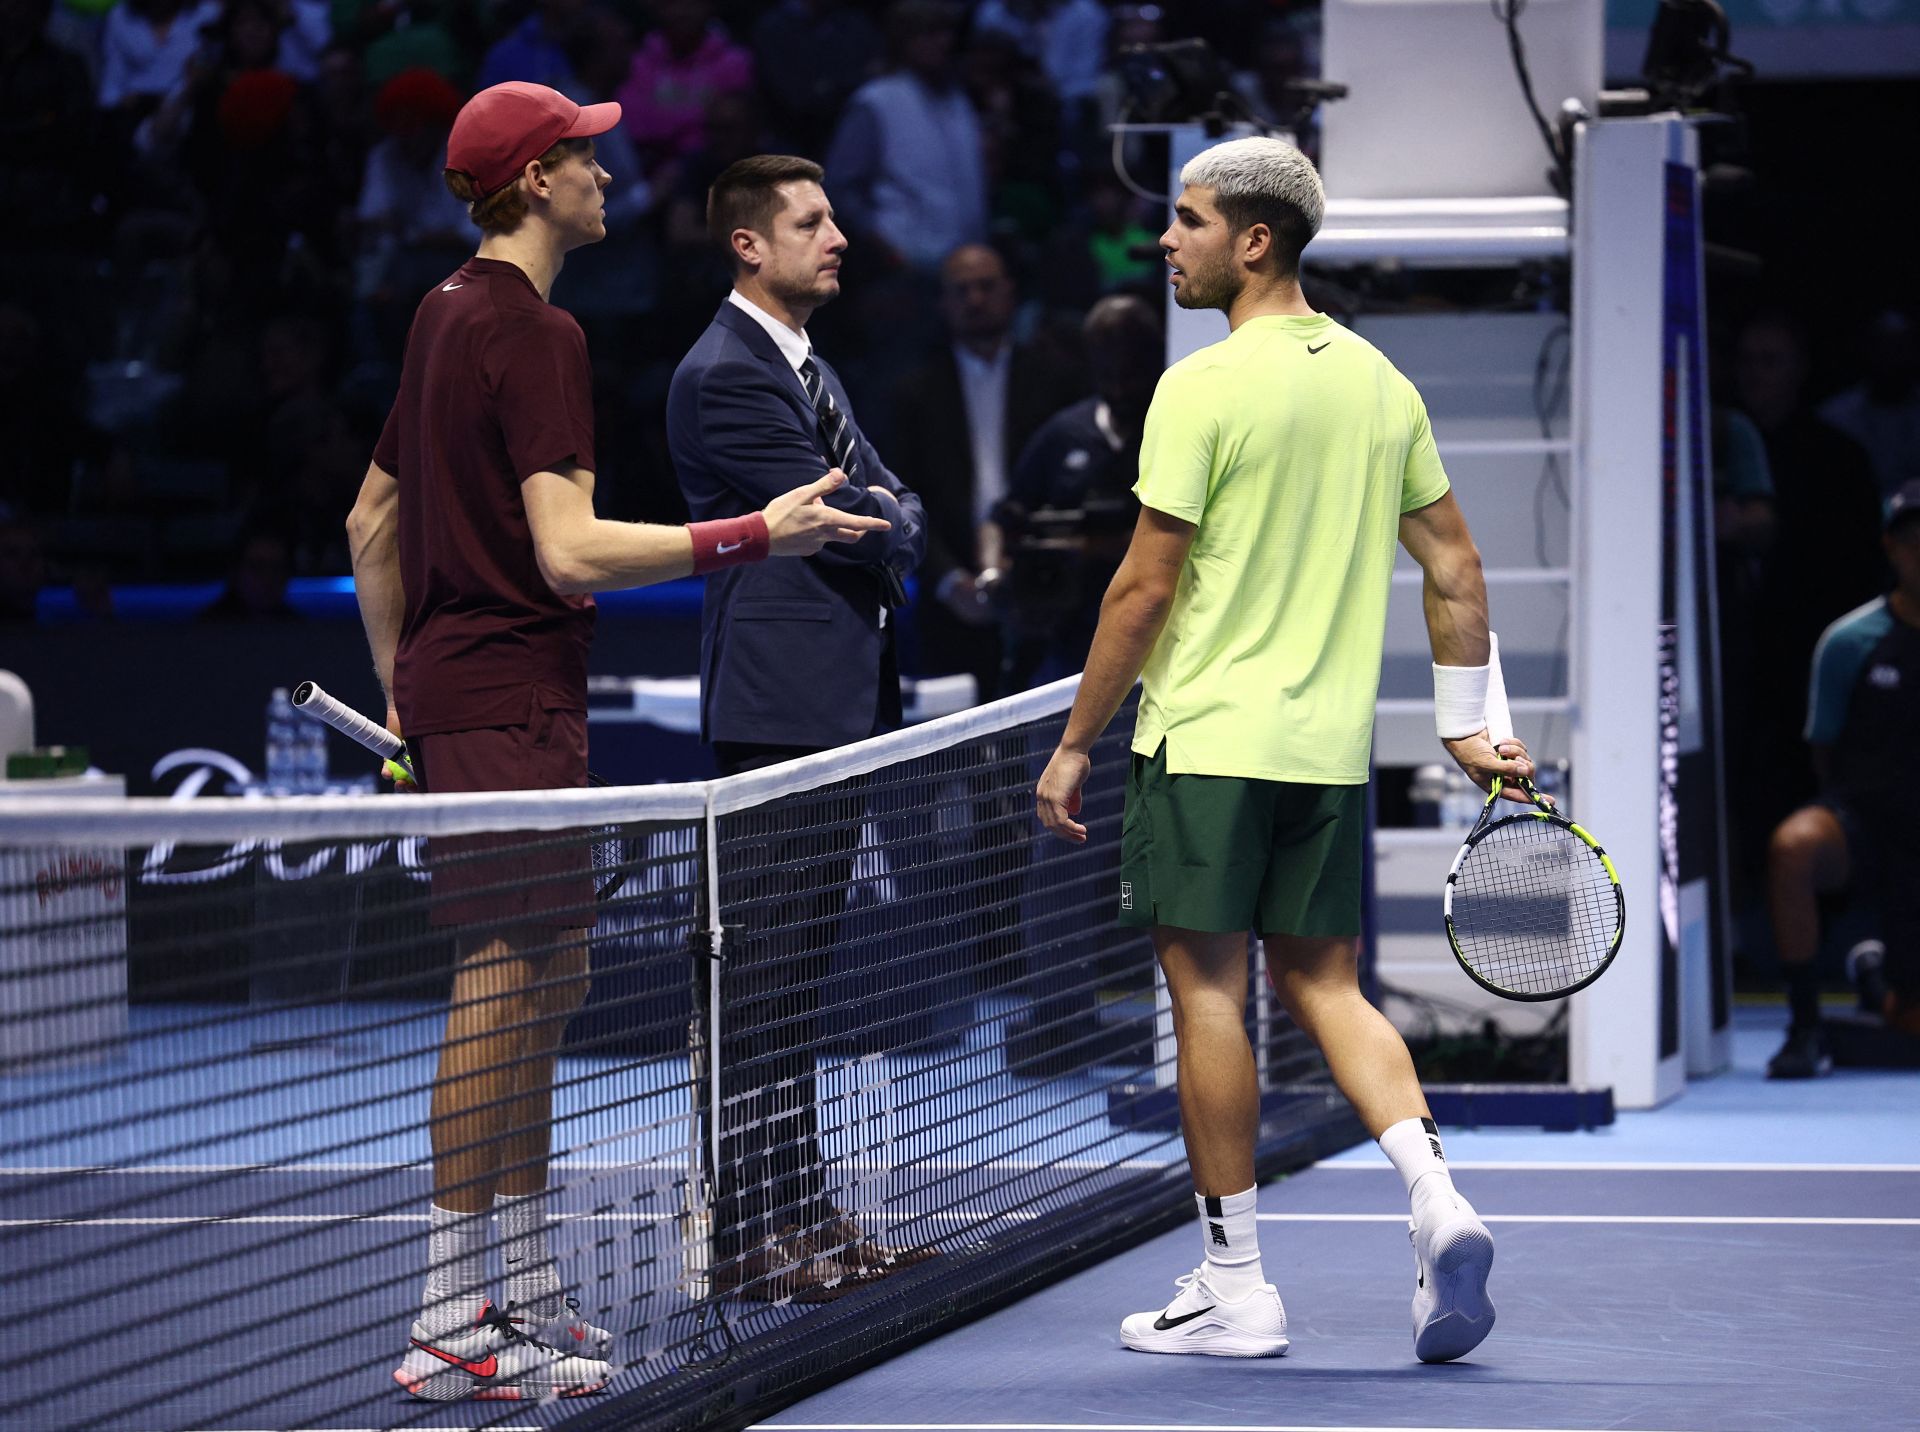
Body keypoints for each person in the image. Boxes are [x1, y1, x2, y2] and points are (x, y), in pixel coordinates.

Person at [345, 85, 887, 1401]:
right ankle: (443, 1317)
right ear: (536, 181)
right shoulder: (536, 335)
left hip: (492, 694)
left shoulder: (440, 312)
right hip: (510, 693)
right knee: (501, 986)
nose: (606, 171)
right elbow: (570, 551)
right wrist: (756, 533)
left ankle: (522, 1291)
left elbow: (371, 520)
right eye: (584, 155)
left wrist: (407, 700)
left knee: (552, 979)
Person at [1033, 137, 1530, 1363]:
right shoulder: (1380, 384)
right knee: (1327, 985)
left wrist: (1074, 741)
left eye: (1188, 221)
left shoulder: (1198, 387)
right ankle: (1434, 1195)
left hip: (1202, 740)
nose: (1167, 240)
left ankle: (1235, 1285)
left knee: (1208, 990)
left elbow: (1143, 591)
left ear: (1254, 241)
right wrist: (1467, 724)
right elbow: (1456, 566)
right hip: (1322, 752)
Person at [667, 153, 929, 1301]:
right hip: (778, 711)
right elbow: (841, 515)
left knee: (797, 979)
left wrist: (887, 518)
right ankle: (745, 1240)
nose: (840, 238)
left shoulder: (804, 366)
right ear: (749, 245)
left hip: (834, 706)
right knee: (763, 983)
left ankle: (806, 1221)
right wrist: (886, 519)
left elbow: (894, 508)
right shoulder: (728, 374)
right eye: (813, 222)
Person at [1764, 480, 1920, 1078]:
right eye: (1912, 539)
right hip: (1870, 825)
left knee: (1908, 1021)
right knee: (1794, 848)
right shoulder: (1850, 642)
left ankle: (1875, 977)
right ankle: (1806, 1028)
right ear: (1890, 547)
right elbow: (1823, 752)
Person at [889, 242, 1084, 700]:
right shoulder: (912, 392)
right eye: (961, 290)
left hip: (1042, 584)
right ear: (943, 303)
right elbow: (900, 494)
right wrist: (948, 581)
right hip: (949, 593)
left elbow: (1071, 482)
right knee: (952, 747)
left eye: (986, 286)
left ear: (1011, 292)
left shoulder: (1058, 377)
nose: (975, 299)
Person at [997, 293, 1160, 691]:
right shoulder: (1063, 433)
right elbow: (1007, 515)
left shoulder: (1181, 422)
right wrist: (997, 571)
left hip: (1161, 634)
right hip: (1068, 636)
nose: (1120, 389)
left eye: (1131, 373)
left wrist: (1100, 546)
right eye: (1108, 375)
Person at [1819, 310, 1920, 501]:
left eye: (1900, 348)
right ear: (1867, 351)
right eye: (1883, 349)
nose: (1891, 359)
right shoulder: (1835, 418)